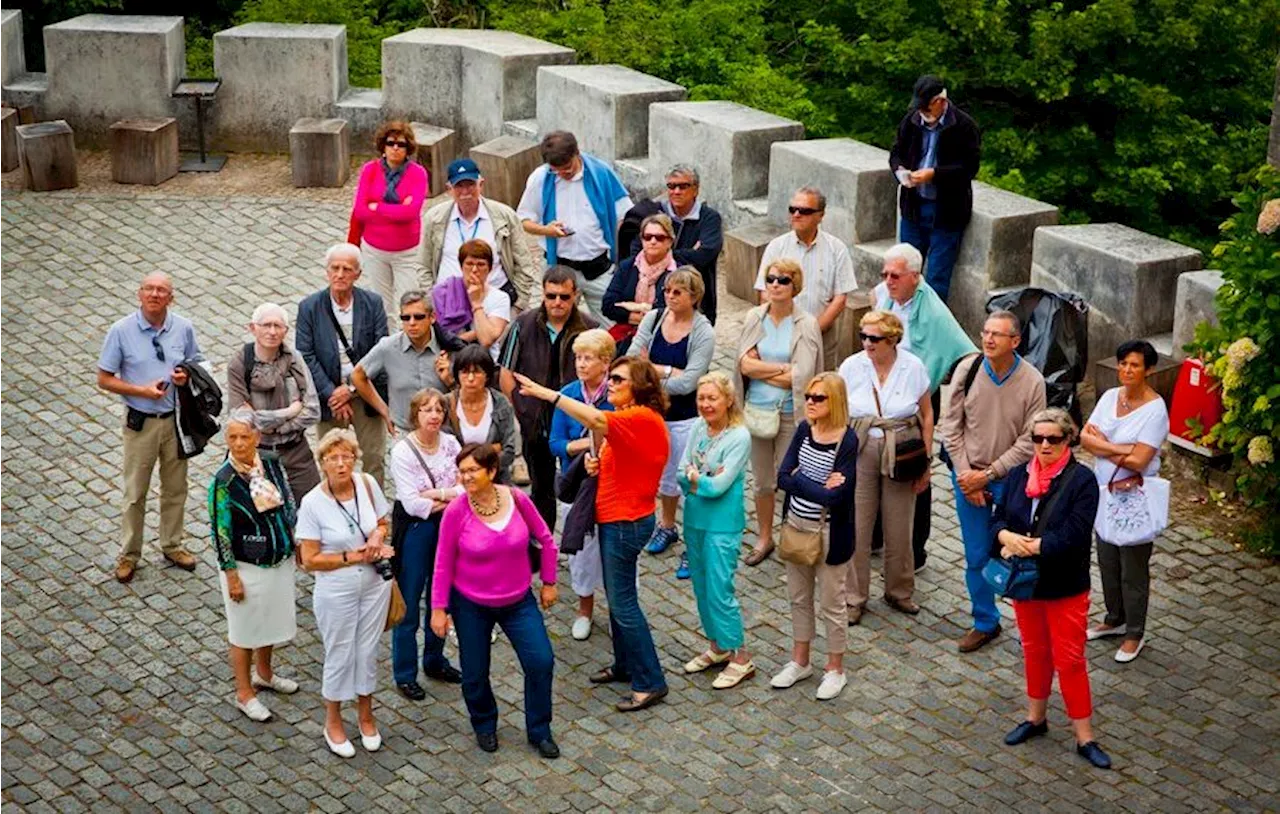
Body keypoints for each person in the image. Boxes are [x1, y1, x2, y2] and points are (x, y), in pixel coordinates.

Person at [514, 357, 670, 712]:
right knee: (619, 600)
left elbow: (596, 419)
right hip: (616, 518)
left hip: (626, 523)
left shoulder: (641, 418)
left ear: (640, 387)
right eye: (611, 377)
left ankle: (650, 680)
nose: (610, 383)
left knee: (623, 603)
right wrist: (594, 464)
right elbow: (616, 454)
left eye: (618, 379)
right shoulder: (630, 420)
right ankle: (625, 664)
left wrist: (547, 394)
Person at [990, 408, 1110, 770]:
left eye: (1053, 439)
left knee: (1070, 660)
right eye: (1037, 438)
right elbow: (997, 518)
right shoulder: (1016, 476)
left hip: (1065, 586)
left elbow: (1075, 534)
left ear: (1068, 440)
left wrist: (1032, 546)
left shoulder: (1082, 481)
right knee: (1034, 651)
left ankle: (1084, 736)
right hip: (1027, 585)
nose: (1044, 445)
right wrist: (1005, 535)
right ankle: (1035, 718)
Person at [430, 443, 560, 758]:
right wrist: (438, 608)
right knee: (475, 672)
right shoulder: (455, 512)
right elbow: (443, 562)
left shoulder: (516, 499)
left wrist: (549, 581)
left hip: (518, 601)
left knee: (541, 661)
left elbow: (544, 538)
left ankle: (540, 730)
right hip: (470, 604)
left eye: (472, 470)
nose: (466, 477)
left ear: (491, 471)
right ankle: (484, 723)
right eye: (462, 472)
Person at [941, 310, 1046, 653]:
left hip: (1011, 482)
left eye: (997, 335)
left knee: (1017, 555)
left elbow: (1031, 441)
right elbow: (950, 426)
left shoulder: (1032, 382)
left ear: (1015, 342)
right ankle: (985, 622)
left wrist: (988, 475)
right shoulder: (967, 369)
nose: (988, 339)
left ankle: (1032, 626)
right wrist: (964, 476)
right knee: (975, 555)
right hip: (968, 477)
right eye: (985, 332)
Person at [871, 243, 976, 570]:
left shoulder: (933, 312)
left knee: (914, 468)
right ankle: (875, 536)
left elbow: (964, 353)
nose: (889, 281)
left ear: (915, 277)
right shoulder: (884, 295)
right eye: (885, 274)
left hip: (918, 397)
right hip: (883, 393)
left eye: (896, 275)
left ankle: (916, 549)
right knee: (876, 464)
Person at [97, 272, 205, 583]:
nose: (155, 294)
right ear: (139, 294)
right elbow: (104, 378)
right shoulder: (121, 331)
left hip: (175, 420)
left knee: (176, 488)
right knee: (135, 492)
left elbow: (197, 361)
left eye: (162, 291)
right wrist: (142, 391)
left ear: (171, 298)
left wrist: (186, 375)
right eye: (149, 289)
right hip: (141, 424)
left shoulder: (183, 327)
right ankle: (129, 553)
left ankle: (172, 545)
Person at [296, 429, 395, 758]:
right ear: (322, 463)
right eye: (333, 458)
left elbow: (382, 522)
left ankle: (366, 715)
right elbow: (309, 560)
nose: (341, 464)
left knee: (367, 650)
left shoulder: (366, 484)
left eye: (347, 457)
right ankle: (333, 720)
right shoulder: (312, 503)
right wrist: (352, 556)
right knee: (340, 652)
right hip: (336, 588)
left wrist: (378, 538)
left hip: (374, 584)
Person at [1081, 340, 1170, 663]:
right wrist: (1122, 448)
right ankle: (1114, 618)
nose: (1127, 370)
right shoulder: (1108, 397)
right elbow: (1084, 438)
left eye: (1134, 365)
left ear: (1148, 370)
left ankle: (1135, 631)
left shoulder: (1155, 410)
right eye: (1123, 364)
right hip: (1104, 491)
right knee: (1107, 560)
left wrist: (1106, 444)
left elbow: (1140, 460)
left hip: (1134, 496)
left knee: (1133, 566)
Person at [840, 310, 932, 622]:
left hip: (902, 445)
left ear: (893, 339)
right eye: (863, 336)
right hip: (862, 444)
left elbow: (927, 414)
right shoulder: (852, 366)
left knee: (900, 525)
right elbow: (838, 412)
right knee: (858, 524)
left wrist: (927, 460)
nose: (867, 342)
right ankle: (854, 597)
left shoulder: (913, 366)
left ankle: (899, 591)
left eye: (874, 338)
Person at [771, 373, 858, 700]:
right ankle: (800, 660)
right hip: (797, 526)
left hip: (829, 534)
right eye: (808, 396)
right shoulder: (804, 430)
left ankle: (835, 668)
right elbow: (782, 476)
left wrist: (802, 482)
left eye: (818, 397)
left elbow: (838, 497)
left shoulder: (846, 440)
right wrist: (818, 487)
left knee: (832, 604)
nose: (810, 401)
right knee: (798, 597)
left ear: (834, 401)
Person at [209, 408, 300, 722]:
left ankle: (264, 673)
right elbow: (220, 532)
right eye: (232, 437)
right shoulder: (223, 480)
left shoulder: (272, 464)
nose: (238, 443)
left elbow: (287, 503)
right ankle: (243, 692)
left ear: (257, 438)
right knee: (244, 630)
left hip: (277, 559)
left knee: (271, 620)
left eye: (244, 437)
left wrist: (296, 542)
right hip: (245, 566)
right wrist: (231, 574)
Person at [737, 258, 823, 566]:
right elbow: (744, 365)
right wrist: (780, 368)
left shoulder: (806, 324)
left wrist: (765, 370)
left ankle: (793, 535)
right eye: (771, 279)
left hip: (790, 414)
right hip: (756, 410)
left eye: (783, 280)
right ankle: (764, 536)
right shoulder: (754, 317)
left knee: (791, 479)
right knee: (761, 481)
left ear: (794, 287)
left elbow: (802, 376)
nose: (775, 285)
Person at [631, 268, 716, 578]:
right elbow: (631, 361)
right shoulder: (653, 320)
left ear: (694, 297)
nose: (669, 296)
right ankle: (667, 526)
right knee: (664, 479)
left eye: (677, 292)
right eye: (667, 290)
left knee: (689, 482)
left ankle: (695, 547)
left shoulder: (702, 331)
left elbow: (690, 382)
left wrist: (652, 371)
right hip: (653, 416)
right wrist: (669, 372)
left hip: (686, 418)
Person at [498, 266, 598, 529]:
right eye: (551, 296)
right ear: (542, 294)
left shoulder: (590, 329)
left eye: (564, 297)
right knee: (540, 487)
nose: (557, 303)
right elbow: (506, 371)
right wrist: (520, 409)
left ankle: (579, 539)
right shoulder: (523, 324)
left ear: (576, 295)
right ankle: (542, 546)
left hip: (575, 422)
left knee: (578, 482)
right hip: (535, 421)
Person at [677, 372, 754, 688]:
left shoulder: (739, 437)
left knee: (720, 590)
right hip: (695, 519)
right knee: (701, 586)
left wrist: (698, 480)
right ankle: (718, 646)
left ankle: (741, 657)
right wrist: (699, 479)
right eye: (701, 398)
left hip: (723, 524)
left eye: (712, 398)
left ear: (728, 400)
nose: (705, 405)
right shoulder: (697, 427)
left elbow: (720, 486)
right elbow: (682, 473)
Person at [388, 388, 463, 700]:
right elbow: (411, 504)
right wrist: (448, 496)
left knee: (441, 593)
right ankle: (405, 673)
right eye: (427, 410)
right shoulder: (402, 452)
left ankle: (434, 659)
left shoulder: (451, 444)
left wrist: (438, 495)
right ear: (415, 414)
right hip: (416, 529)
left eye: (438, 410)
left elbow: (464, 487)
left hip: (448, 525)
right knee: (410, 597)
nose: (434, 415)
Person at [296, 243, 389, 486]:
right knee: (330, 455)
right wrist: (332, 392)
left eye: (347, 269)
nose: (340, 274)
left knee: (374, 456)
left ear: (358, 273)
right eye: (334, 268)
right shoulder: (309, 307)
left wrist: (351, 390)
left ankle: (373, 509)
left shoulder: (373, 304)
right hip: (330, 395)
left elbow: (380, 352)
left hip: (365, 391)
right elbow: (305, 355)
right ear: (326, 271)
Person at [518, 131, 633, 325]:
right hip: (559, 267)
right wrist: (547, 231)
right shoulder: (541, 178)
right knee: (554, 327)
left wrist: (620, 258)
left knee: (613, 327)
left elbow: (626, 215)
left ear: (577, 153)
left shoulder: (601, 173)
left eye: (568, 168)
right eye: (557, 171)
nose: (564, 174)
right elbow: (523, 221)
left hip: (597, 267)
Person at [547, 328, 616, 641]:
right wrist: (583, 445)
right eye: (578, 358)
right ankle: (584, 609)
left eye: (588, 358)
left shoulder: (616, 395)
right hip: (577, 484)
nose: (581, 364)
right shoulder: (569, 394)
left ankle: (619, 609)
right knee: (582, 552)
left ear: (605, 362)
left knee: (615, 550)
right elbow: (555, 443)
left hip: (613, 486)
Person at [888, 75, 981, 302]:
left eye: (926, 107)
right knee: (904, 268)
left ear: (940, 102)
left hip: (947, 211)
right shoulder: (911, 121)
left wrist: (935, 175)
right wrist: (901, 171)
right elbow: (896, 152)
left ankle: (929, 325)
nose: (922, 113)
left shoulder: (964, 126)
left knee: (937, 276)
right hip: (913, 207)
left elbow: (969, 168)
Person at [753, 186, 857, 371]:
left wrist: (812, 330)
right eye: (793, 209)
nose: (797, 214)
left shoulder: (836, 249)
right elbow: (764, 291)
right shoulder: (777, 247)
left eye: (805, 211)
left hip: (821, 338)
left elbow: (840, 298)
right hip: (779, 336)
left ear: (821, 215)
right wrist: (784, 328)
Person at [225, 302, 321, 498]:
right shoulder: (240, 362)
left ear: (285, 331)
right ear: (253, 328)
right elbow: (241, 417)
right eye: (266, 325)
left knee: (312, 505)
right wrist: (290, 412)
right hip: (255, 455)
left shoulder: (294, 359)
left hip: (296, 452)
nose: (272, 331)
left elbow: (312, 410)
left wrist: (277, 427)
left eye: (278, 326)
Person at [420, 157, 538, 309]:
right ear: (449, 189)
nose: (465, 192)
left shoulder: (504, 216)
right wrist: (433, 302)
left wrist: (518, 305)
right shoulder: (434, 218)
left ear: (481, 184)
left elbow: (523, 263)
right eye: (458, 186)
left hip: (494, 302)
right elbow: (424, 265)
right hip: (449, 303)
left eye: (470, 185)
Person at [349, 120, 429, 332]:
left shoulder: (417, 174)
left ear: (408, 148)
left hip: (407, 253)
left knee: (409, 304)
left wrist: (378, 207)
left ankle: (409, 345)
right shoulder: (370, 171)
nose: (395, 148)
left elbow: (411, 212)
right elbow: (360, 211)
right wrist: (396, 208)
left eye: (401, 144)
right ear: (383, 146)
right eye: (391, 143)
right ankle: (387, 348)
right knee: (382, 307)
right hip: (375, 250)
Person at [619, 164, 724, 324]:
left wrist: (657, 254)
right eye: (672, 186)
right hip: (651, 301)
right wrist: (688, 253)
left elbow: (704, 255)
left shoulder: (709, 218)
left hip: (696, 300)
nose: (676, 191)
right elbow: (636, 253)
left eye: (683, 186)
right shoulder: (651, 213)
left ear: (695, 190)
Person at [352, 291, 460, 437]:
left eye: (419, 317)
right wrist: (384, 410)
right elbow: (358, 375)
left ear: (432, 317)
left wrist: (450, 380)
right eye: (406, 317)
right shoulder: (388, 347)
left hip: (442, 432)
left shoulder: (449, 347)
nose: (412, 323)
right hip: (404, 432)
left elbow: (468, 392)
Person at [441, 343, 520, 485]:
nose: (470, 378)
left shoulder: (501, 403)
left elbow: (508, 451)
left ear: (487, 375)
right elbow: (446, 451)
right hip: (456, 482)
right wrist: (490, 450)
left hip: (495, 481)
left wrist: (480, 470)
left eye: (477, 372)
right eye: (465, 372)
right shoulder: (446, 404)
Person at [602, 214, 677, 347]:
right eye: (647, 237)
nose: (652, 241)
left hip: (663, 337)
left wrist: (632, 307)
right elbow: (608, 305)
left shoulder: (677, 273)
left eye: (659, 238)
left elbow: (673, 314)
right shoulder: (627, 266)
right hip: (625, 333)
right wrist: (647, 311)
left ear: (670, 241)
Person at [430, 240, 511, 358]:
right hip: (448, 358)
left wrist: (476, 303)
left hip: (485, 360)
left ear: (490, 268)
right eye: (469, 264)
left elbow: (487, 340)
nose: (474, 270)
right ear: (461, 266)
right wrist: (474, 334)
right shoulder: (443, 292)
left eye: (481, 264)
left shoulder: (500, 298)